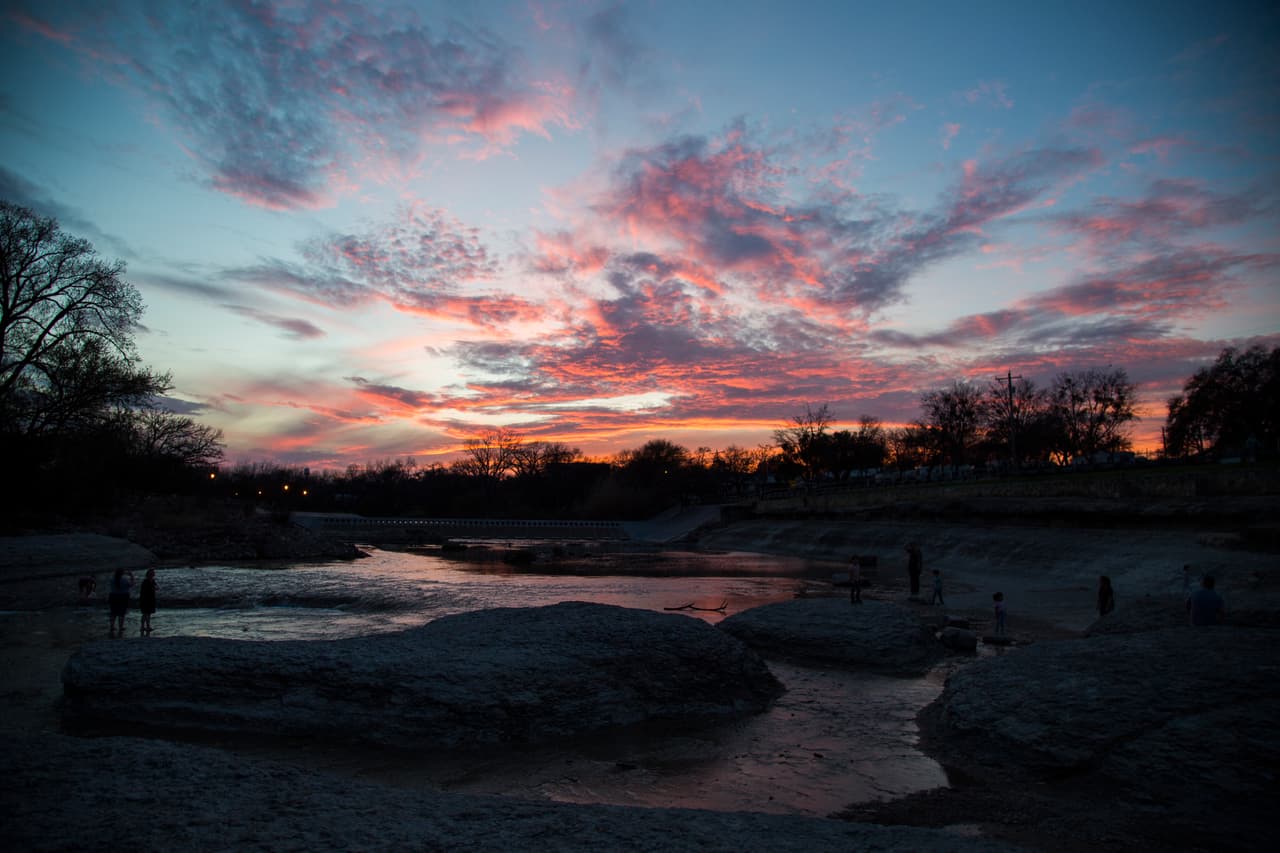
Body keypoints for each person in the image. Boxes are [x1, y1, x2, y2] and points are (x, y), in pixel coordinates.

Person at [107, 568, 134, 637]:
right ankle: (120, 627)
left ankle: (112, 626)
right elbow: (131, 585)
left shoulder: (112, 579)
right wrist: (131, 576)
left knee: (113, 613)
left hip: (113, 596)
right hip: (123, 597)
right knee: (122, 613)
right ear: (122, 573)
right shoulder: (124, 579)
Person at [139, 568, 157, 636]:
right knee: (146, 613)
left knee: (147, 613)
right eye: (153, 572)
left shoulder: (151, 581)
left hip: (150, 599)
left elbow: (156, 587)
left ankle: (144, 626)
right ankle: (146, 626)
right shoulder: (146, 581)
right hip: (146, 599)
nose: (154, 573)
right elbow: (145, 591)